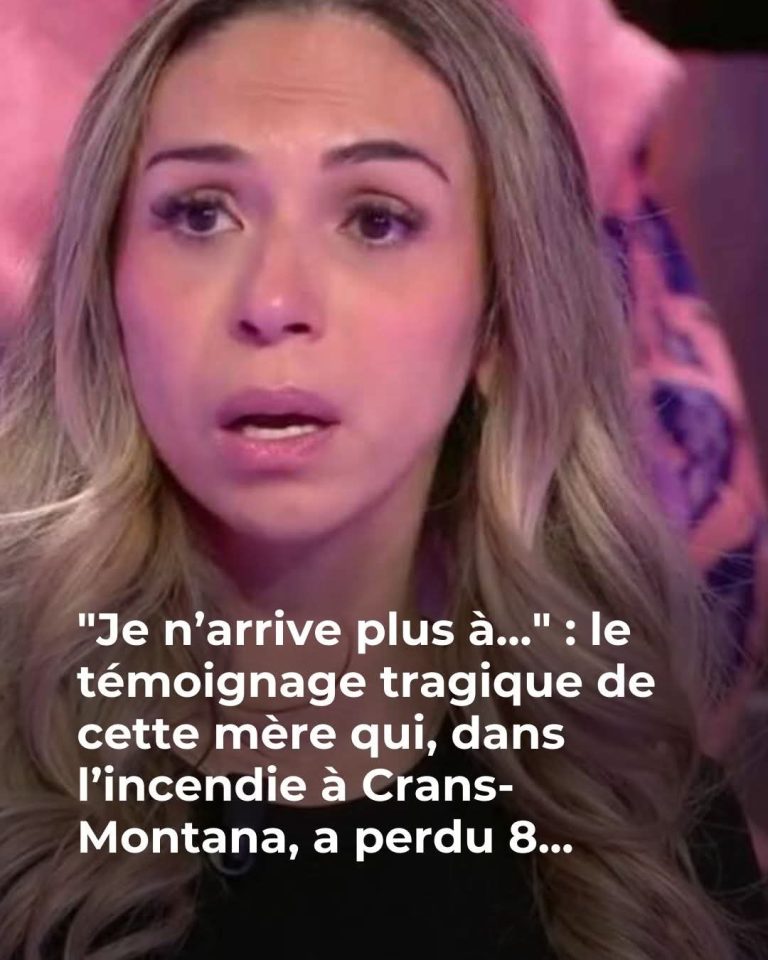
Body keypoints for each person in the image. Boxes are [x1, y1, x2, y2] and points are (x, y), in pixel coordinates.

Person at [0, 1, 764, 959]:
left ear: (498, 322)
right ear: (105, 292)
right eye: (200, 214)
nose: (273, 301)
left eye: (375, 220)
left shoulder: (653, 830)